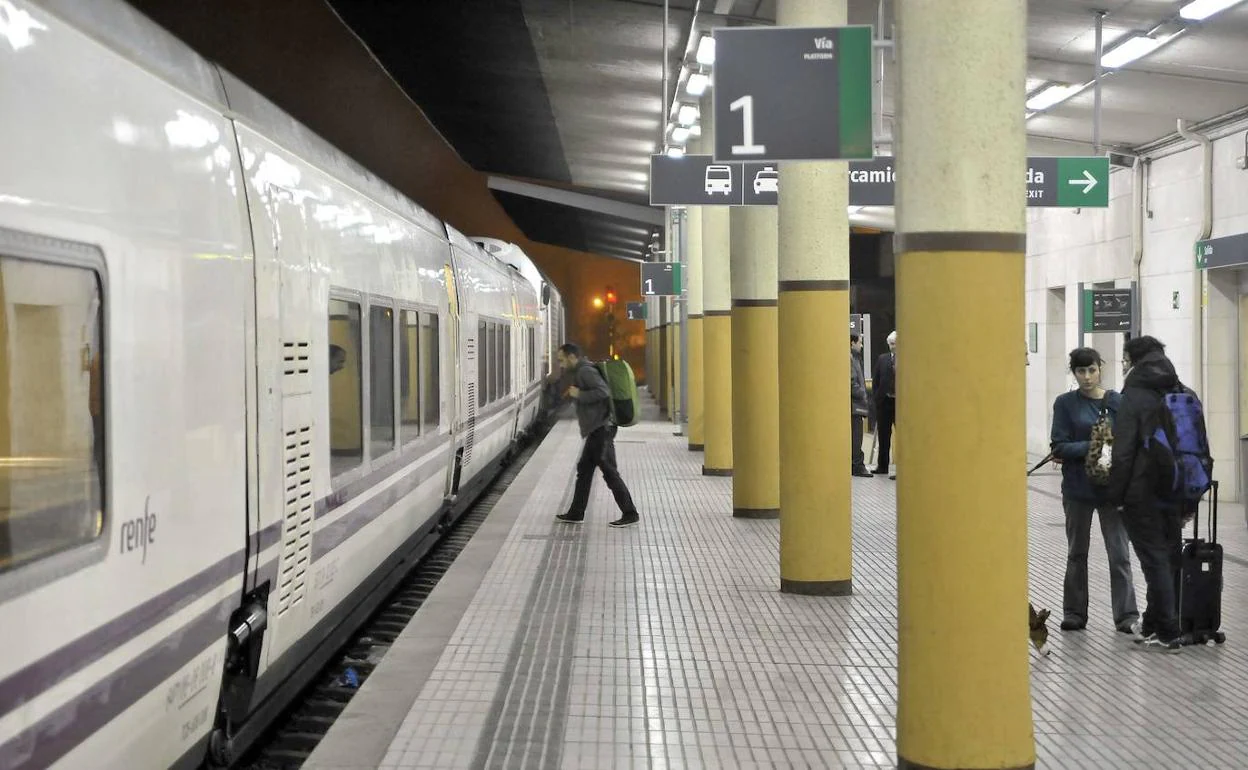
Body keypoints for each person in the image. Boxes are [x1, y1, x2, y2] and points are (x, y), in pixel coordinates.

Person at [1049, 347, 1139, 634]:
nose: (1087, 377)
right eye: (1081, 371)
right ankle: (1074, 613)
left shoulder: (1117, 402)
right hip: (1077, 490)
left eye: (1092, 370)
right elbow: (1058, 446)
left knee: (1119, 554)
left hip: (1112, 491)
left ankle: (1126, 615)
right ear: (1073, 373)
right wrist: (1094, 447)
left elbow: (1129, 442)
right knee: (1077, 553)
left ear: (1101, 369)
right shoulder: (1065, 404)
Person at [1107, 335, 1186, 653]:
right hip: (1175, 486)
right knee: (1166, 556)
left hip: (1141, 490)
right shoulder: (1178, 388)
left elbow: (1123, 451)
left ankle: (1168, 630)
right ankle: (1153, 624)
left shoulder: (1135, 394)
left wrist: (1116, 494)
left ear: (1132, 359)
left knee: (1153, 559)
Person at [554, 343, 640, 527]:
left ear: (572, 357)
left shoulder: (586, 371)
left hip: (602, 428)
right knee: (584, 469)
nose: (560, 365)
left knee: (609, 471)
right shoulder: (582, 371)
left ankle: (630, 513)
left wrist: (579, 394)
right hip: (597, 429)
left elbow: (603, 391)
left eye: (561, 360)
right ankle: (576, 512)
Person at [871, 331, 897, 476]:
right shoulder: (882, 359)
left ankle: (902, 468)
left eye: (895, 344)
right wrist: (877, 397)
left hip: (899, 403)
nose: (892, 347)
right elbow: (876, 379)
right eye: (891, 344)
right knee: (883, 435)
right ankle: (882, 466)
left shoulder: (905, 359)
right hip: (885, 402)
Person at [850, 334, 871, 477]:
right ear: (852, 343)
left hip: (856, 404)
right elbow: (851, 382)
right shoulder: (851, 359)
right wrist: (862, 393)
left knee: (856, 435)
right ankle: (858, 464)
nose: (861, 345)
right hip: (855, 404)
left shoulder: (855, 358)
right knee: (856, 436)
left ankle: (857, 463)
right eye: (860, 342)